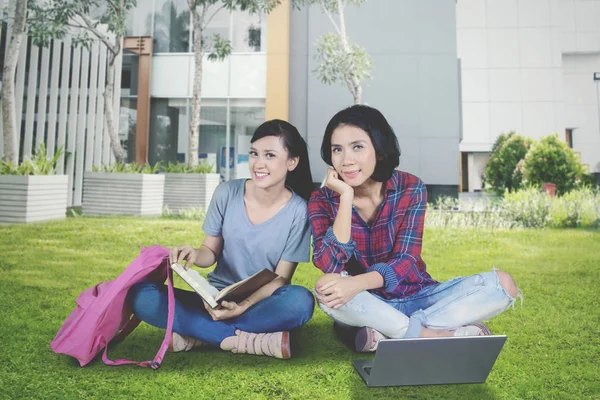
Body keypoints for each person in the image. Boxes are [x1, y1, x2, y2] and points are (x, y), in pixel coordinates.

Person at [308, 105, 522, 353]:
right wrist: (345, 197)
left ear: (378, 149)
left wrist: (357, 283)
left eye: (357, 147)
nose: (347, 160)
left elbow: (406, 259)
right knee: (326, 285)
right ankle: (433, 333)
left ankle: (393, 331)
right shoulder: (322, 200)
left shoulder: (411, 187)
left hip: (419, 295)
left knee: (502, 284)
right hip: (369, 301)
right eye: (338, 150)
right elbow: (329, 264)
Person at [128, 120, 315, 359]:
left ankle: (199, 334)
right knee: (142, 295)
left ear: (292, 162)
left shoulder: (299, 211)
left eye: (270, 155)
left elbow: (281, 279)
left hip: (259, 304)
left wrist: (242, 306)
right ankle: (244, 340)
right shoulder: (227, 192)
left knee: (300, 301)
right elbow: (210, 251)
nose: (259, 163)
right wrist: (195, 254)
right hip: (212, 300)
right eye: (254, 153)